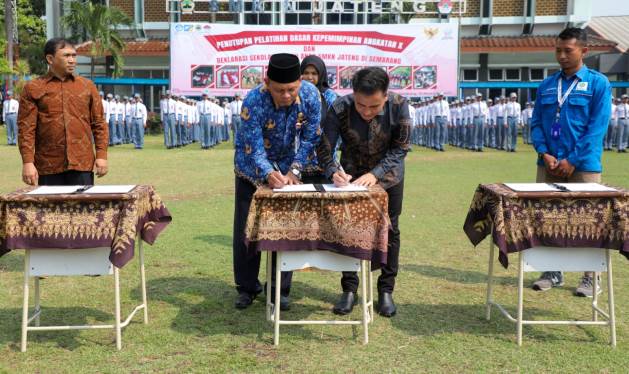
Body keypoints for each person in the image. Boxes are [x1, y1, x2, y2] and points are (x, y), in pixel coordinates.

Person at [316, 67, 410, 317]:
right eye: (361, 106)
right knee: (349, 229)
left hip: (388, 178)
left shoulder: (400, 106)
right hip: (350, 176)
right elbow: (325, 147)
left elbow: (401, 149)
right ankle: (349, 289)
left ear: (386, 97)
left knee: (391, 230)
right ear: (353, 95)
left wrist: (375, 174)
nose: (367, 112)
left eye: (374, 106)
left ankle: (386, 290)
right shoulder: (339, 107)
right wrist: (333, 170)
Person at [233, 53, 321, 310]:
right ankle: (247, 287)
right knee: (246, 230)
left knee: (286, 229)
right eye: (280, 90)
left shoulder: (311, 96)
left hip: (289, 170)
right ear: (266, 82)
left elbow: (310, 138)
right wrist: (267, 173)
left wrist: (294, 170)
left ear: (299, 83)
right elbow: (253, 145)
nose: (286, 96)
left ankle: (279, 289)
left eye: (291, 89)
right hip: (251, 169)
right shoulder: (254, 101)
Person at [530, 27, 611, 297]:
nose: (561, 56)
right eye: (558, 50)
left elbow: (596, 128)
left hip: (583, 165)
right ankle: (552, 271)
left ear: (584, 51)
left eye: (568, 51)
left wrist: (573, 159)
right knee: (549, 218)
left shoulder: (598, 84)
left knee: (589, 220)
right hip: (550, 164)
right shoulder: (547, 85)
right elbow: (537, 124)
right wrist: (544, 153)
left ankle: (591, 277)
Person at [18, 37, 108, 186]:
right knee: (50, 209)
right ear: (50, 59)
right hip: (48, 165)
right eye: (66, 56)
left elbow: (99, 123)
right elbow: (26, 129)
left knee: (83, 209)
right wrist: (27, 162)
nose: (72, 60)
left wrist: (102, 155)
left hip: (82, 163)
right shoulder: (33, 88)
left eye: (74, 55)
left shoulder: (87, 86)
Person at [300, 55, 338, 182]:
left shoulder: (330, 97)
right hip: (297, 163)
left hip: (324, 162)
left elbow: (334, 128)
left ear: (321, 74)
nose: (309, 77)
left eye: (314, 73)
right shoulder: (294, 94)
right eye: (305, 73)